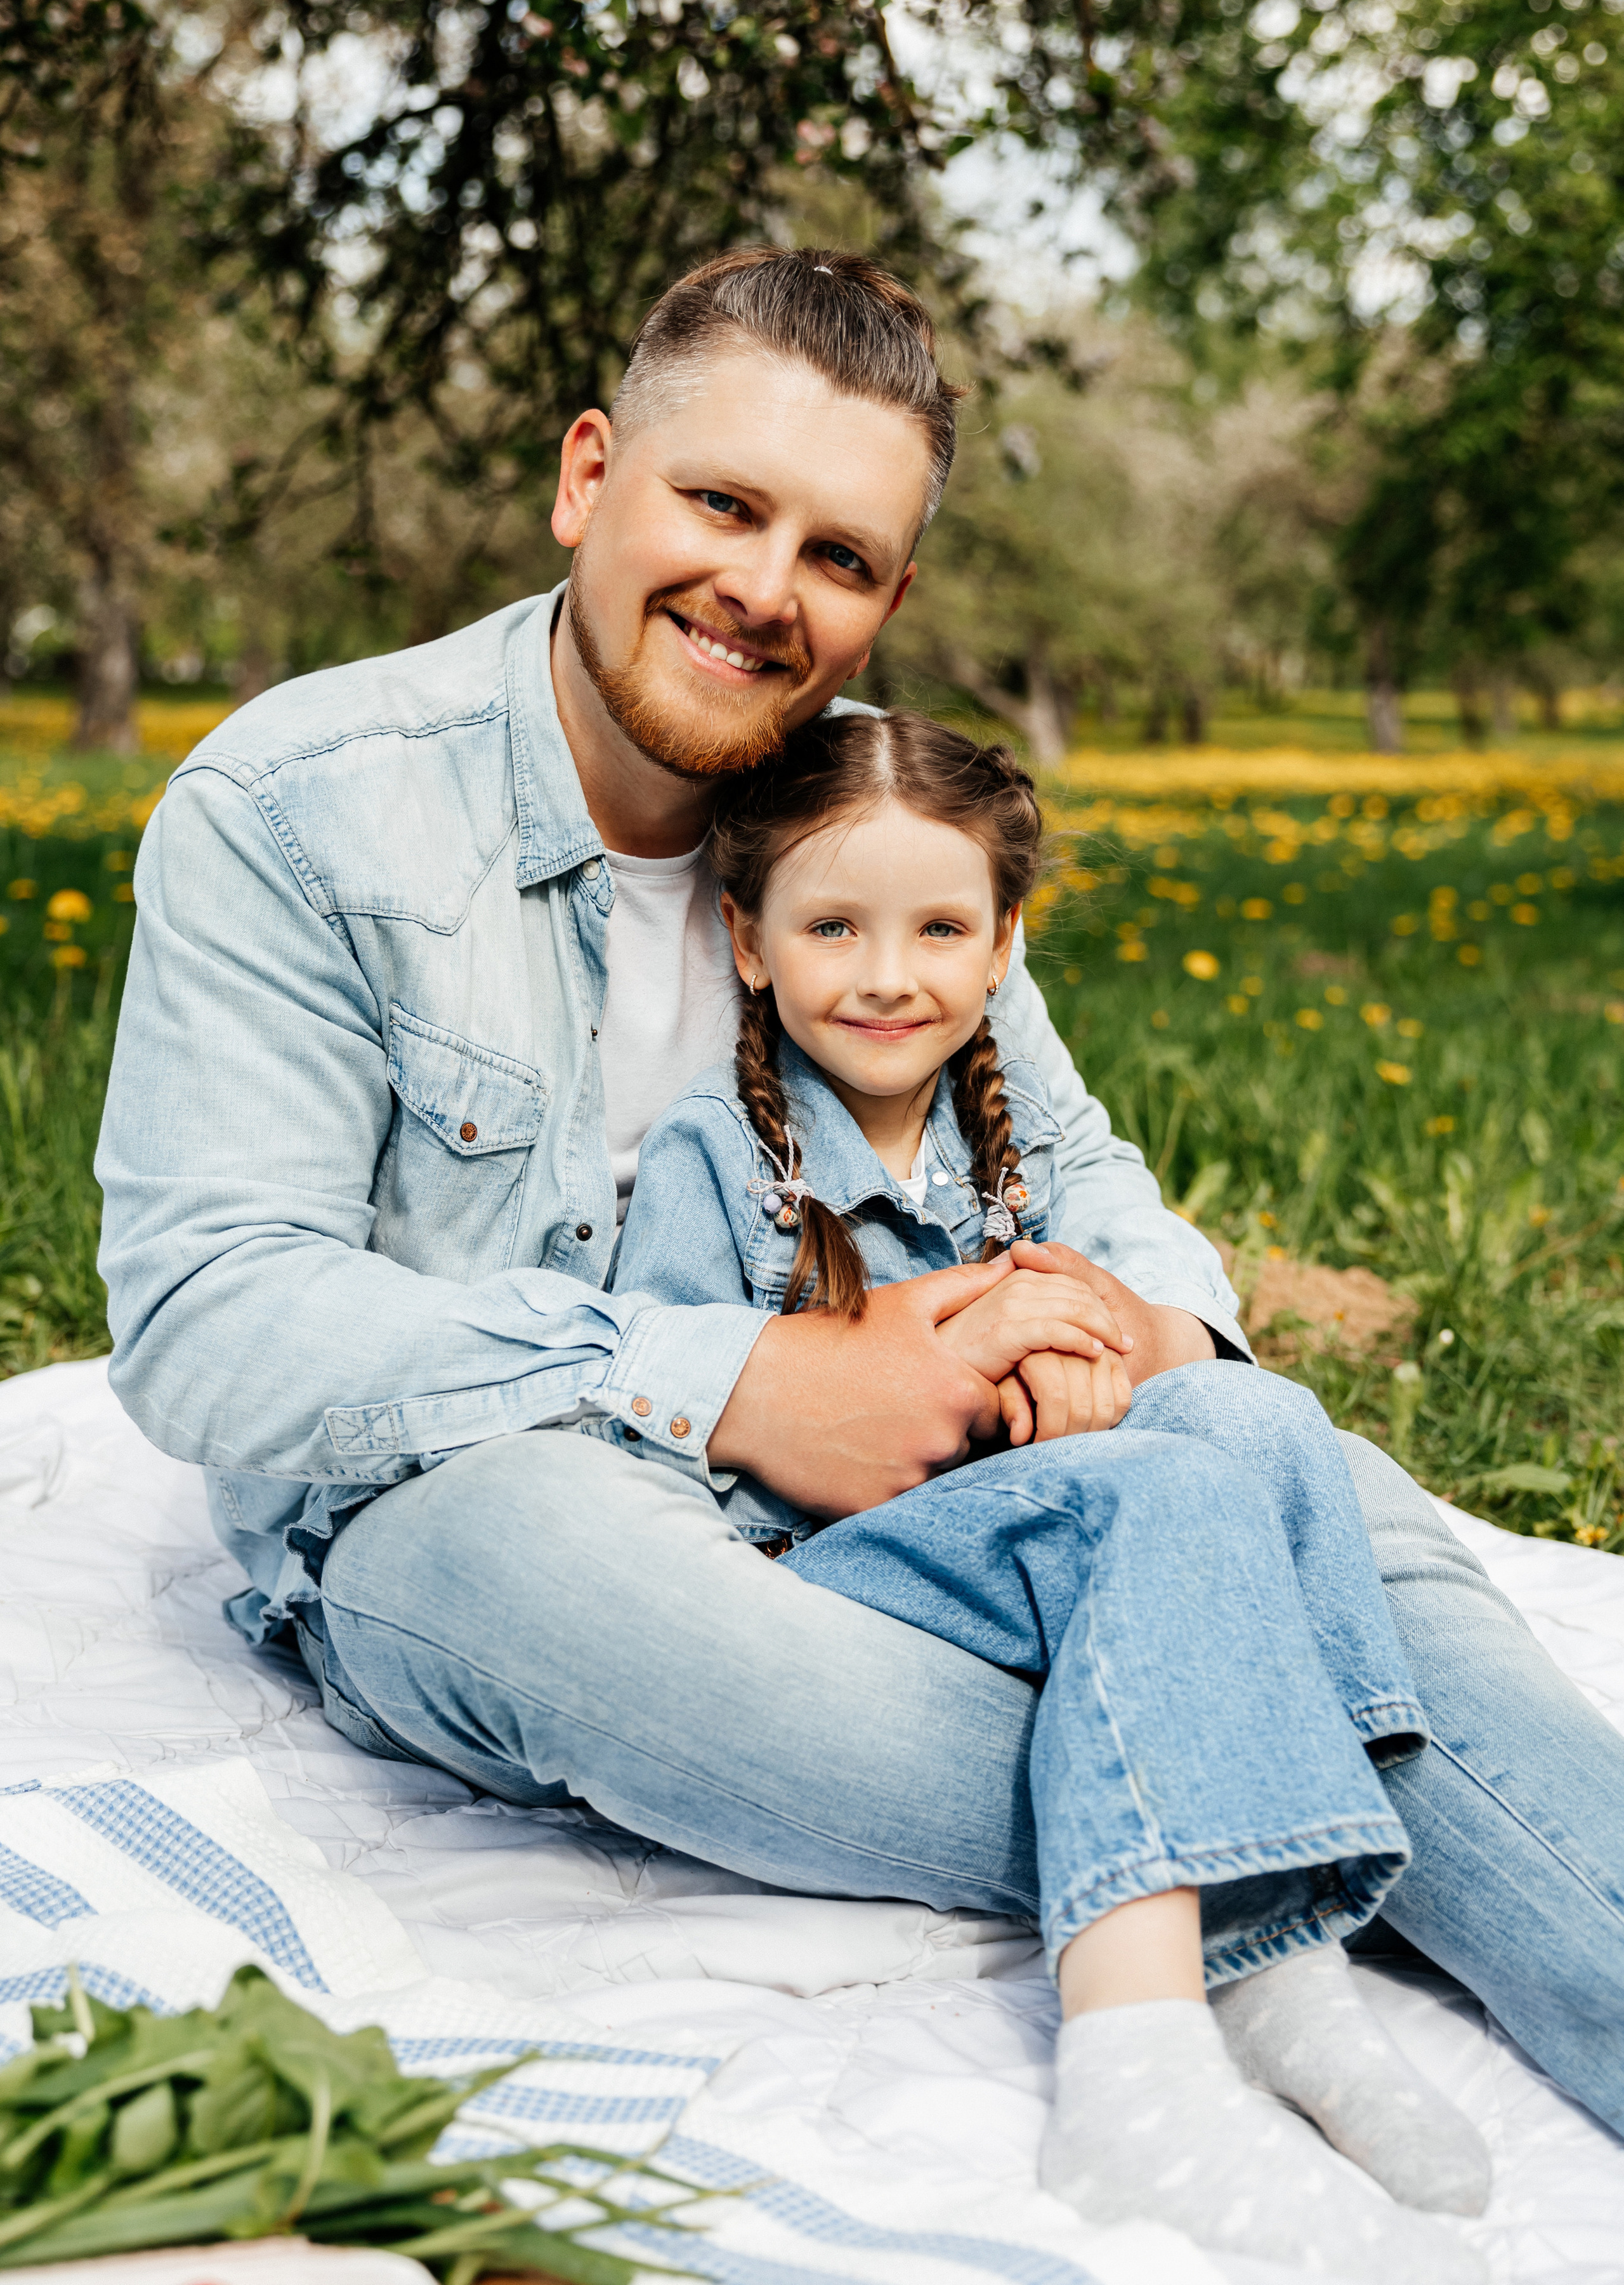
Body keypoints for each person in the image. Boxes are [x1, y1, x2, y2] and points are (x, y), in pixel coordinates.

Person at [96, 248, 1624, 2211]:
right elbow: (214, 1323)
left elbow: (1082, 1179)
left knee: (1273, 1458)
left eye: (838, 551)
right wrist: (737, 1379)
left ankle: (1301, 1858)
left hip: (954, 1508)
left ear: (891, 593)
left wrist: (1127, 1332)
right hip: (511, 1504)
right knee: (542, 1552)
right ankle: (1251, 1842)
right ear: (588, 478)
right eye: (721, 504)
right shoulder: (303, 809)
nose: (764, 586)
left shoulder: (874, 820)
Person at [610, 704, 1489, 2274]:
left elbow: (1112, 1321)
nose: (888, 974)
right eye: (832, 926)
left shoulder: (1001, 1145)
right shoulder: (713, 1163)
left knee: (1261, 1423)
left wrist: (1075, 1357)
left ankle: (1287, 1969)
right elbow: (701, 1415)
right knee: (1151, 1499)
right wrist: (987, 1400)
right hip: (828, 1573)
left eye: (941, 927)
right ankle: (1135, 2073)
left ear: (1004, 945)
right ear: (746, 941)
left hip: (1011, 1533)